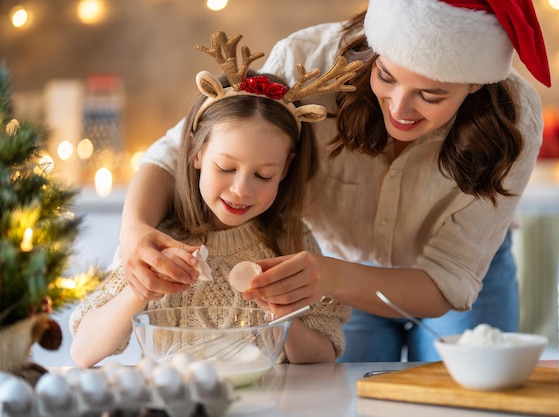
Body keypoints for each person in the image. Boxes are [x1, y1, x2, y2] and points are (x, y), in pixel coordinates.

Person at [118, 0, 552, 362]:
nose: (400, 107)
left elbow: (449, 279)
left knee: (468, 398)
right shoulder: (311, 63)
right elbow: (179, 149)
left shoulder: (513, 120)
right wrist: (134, 231)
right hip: (328, 268)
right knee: (342, 396)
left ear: (474, 84)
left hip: (441, 278)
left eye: (431, 95)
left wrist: (330, 277)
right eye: (387, 77)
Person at [69, 31, 358, 368]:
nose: (241, 189)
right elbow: (84, 352)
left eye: (263, 175)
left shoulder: (291, 241)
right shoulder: (158, 241)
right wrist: (142, 288)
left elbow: (322, 356)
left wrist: (282, 314)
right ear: (195, 152)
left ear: (285, 169)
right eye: (225, 167)